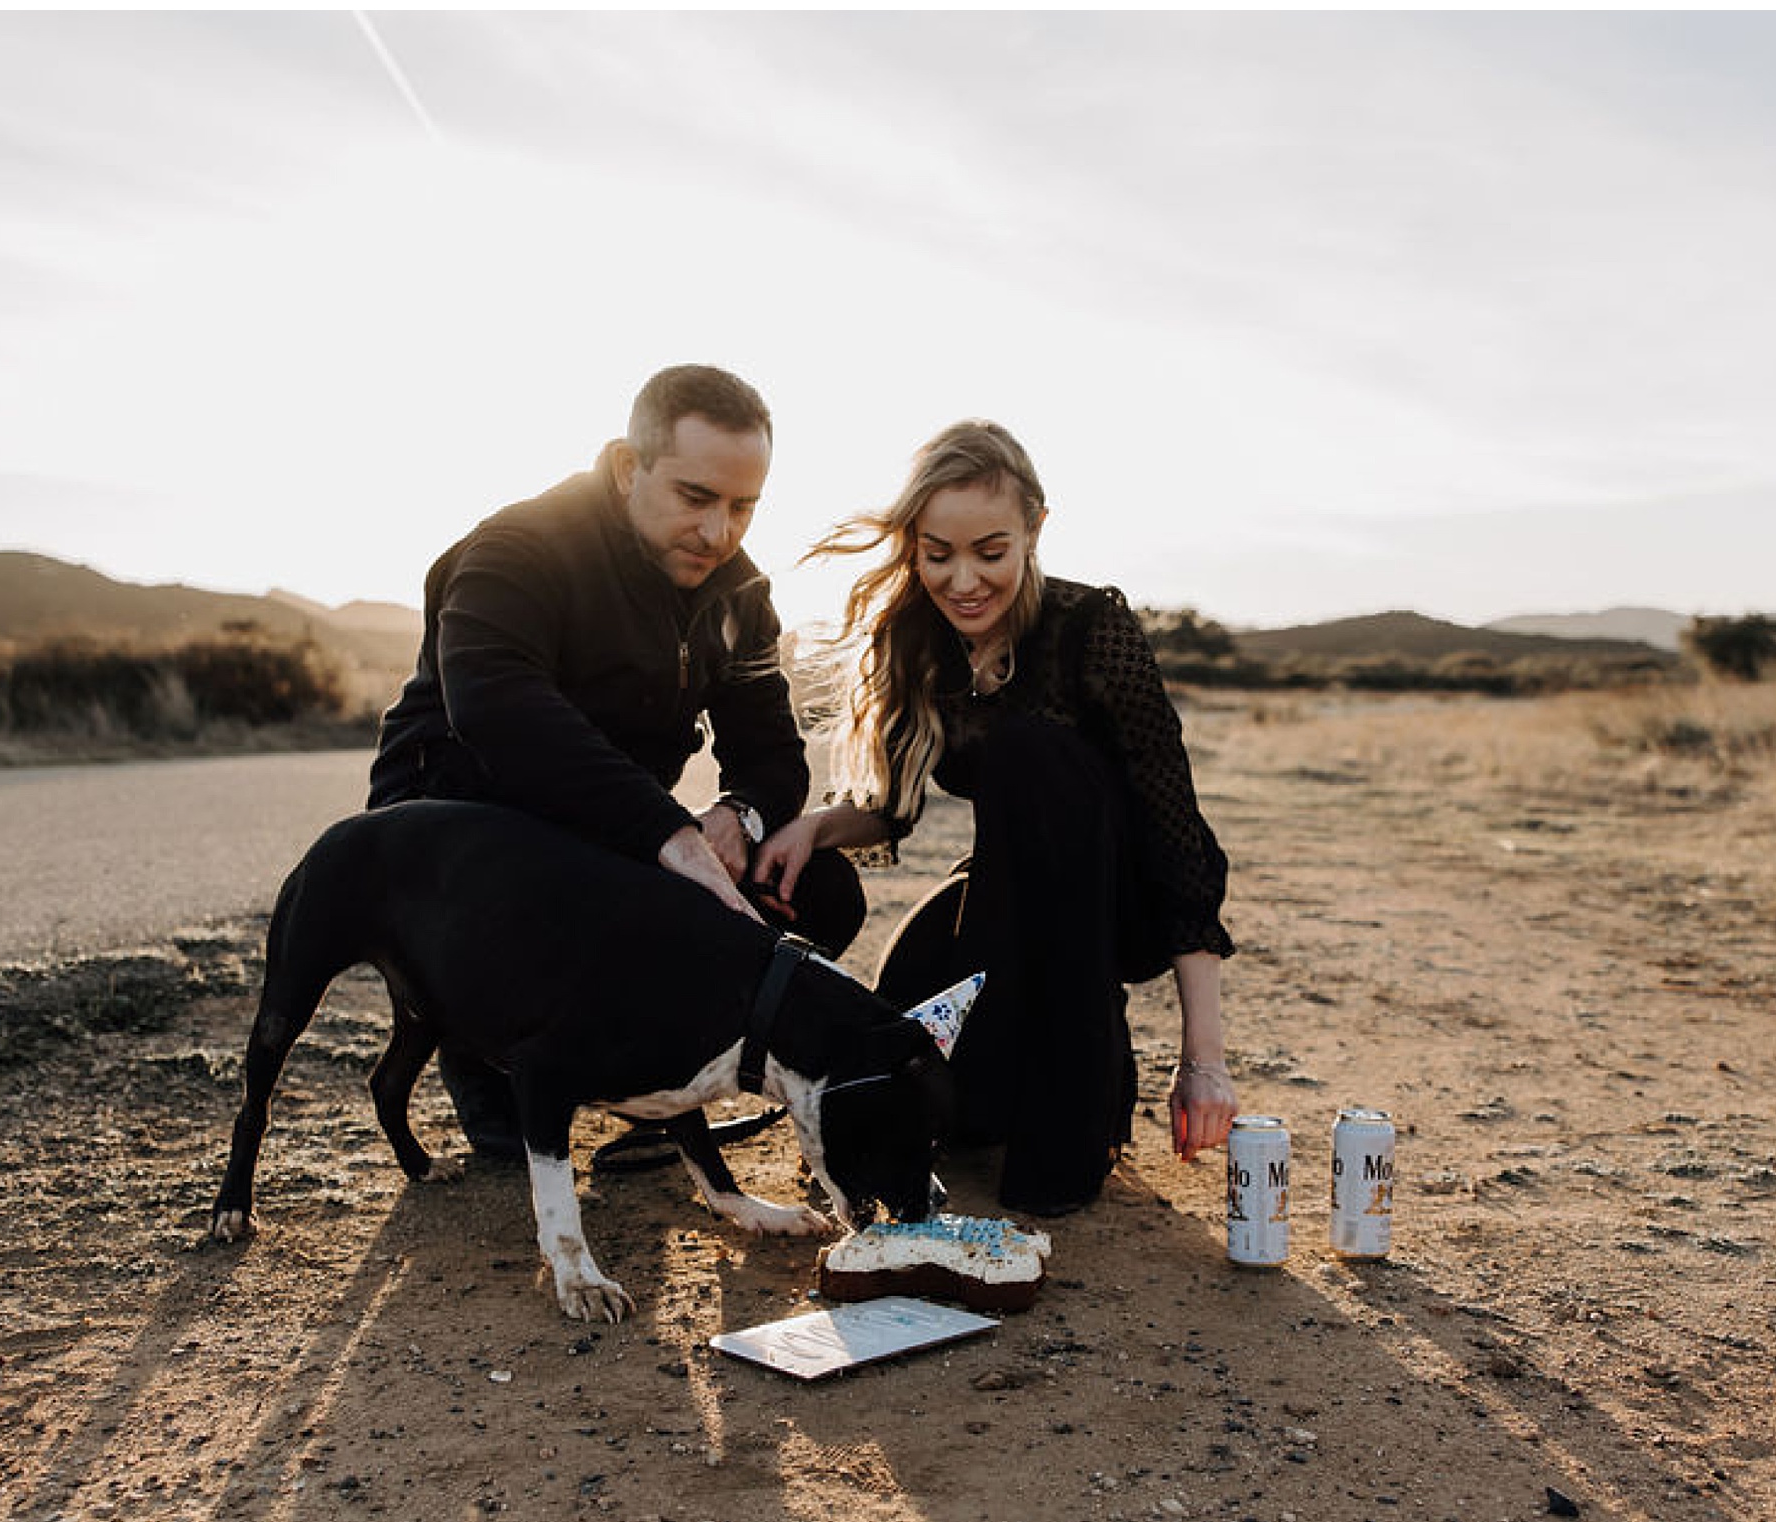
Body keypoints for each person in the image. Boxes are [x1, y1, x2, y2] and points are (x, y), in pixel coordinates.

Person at [368, 364, 866, 1166]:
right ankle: (484, 1046)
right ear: (630, 468)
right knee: (566, 898)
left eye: (743, 507)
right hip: (456, 831)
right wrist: (667, 834)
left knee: (817, 889)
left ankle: (659, 1082)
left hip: (609, 834)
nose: (719, 532)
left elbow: (772, 750)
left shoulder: (740, 596)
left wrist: (738, 819)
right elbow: (500, 710)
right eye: (696, 497)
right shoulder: (517, 548)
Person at [752, 420, 1238, 1215]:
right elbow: (890, 806)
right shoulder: (918, 635)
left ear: (1034, 532)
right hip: (1005, 884)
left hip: (1112, 895)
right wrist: (815, 826)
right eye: (937, 553)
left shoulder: (1092, 629)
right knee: (911, 1024)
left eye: (990, 550)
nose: (963, 579)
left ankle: (1081, 1093)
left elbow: (1175, 831)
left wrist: (1204, 1059)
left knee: (1024, 751)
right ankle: (1003, 1087)